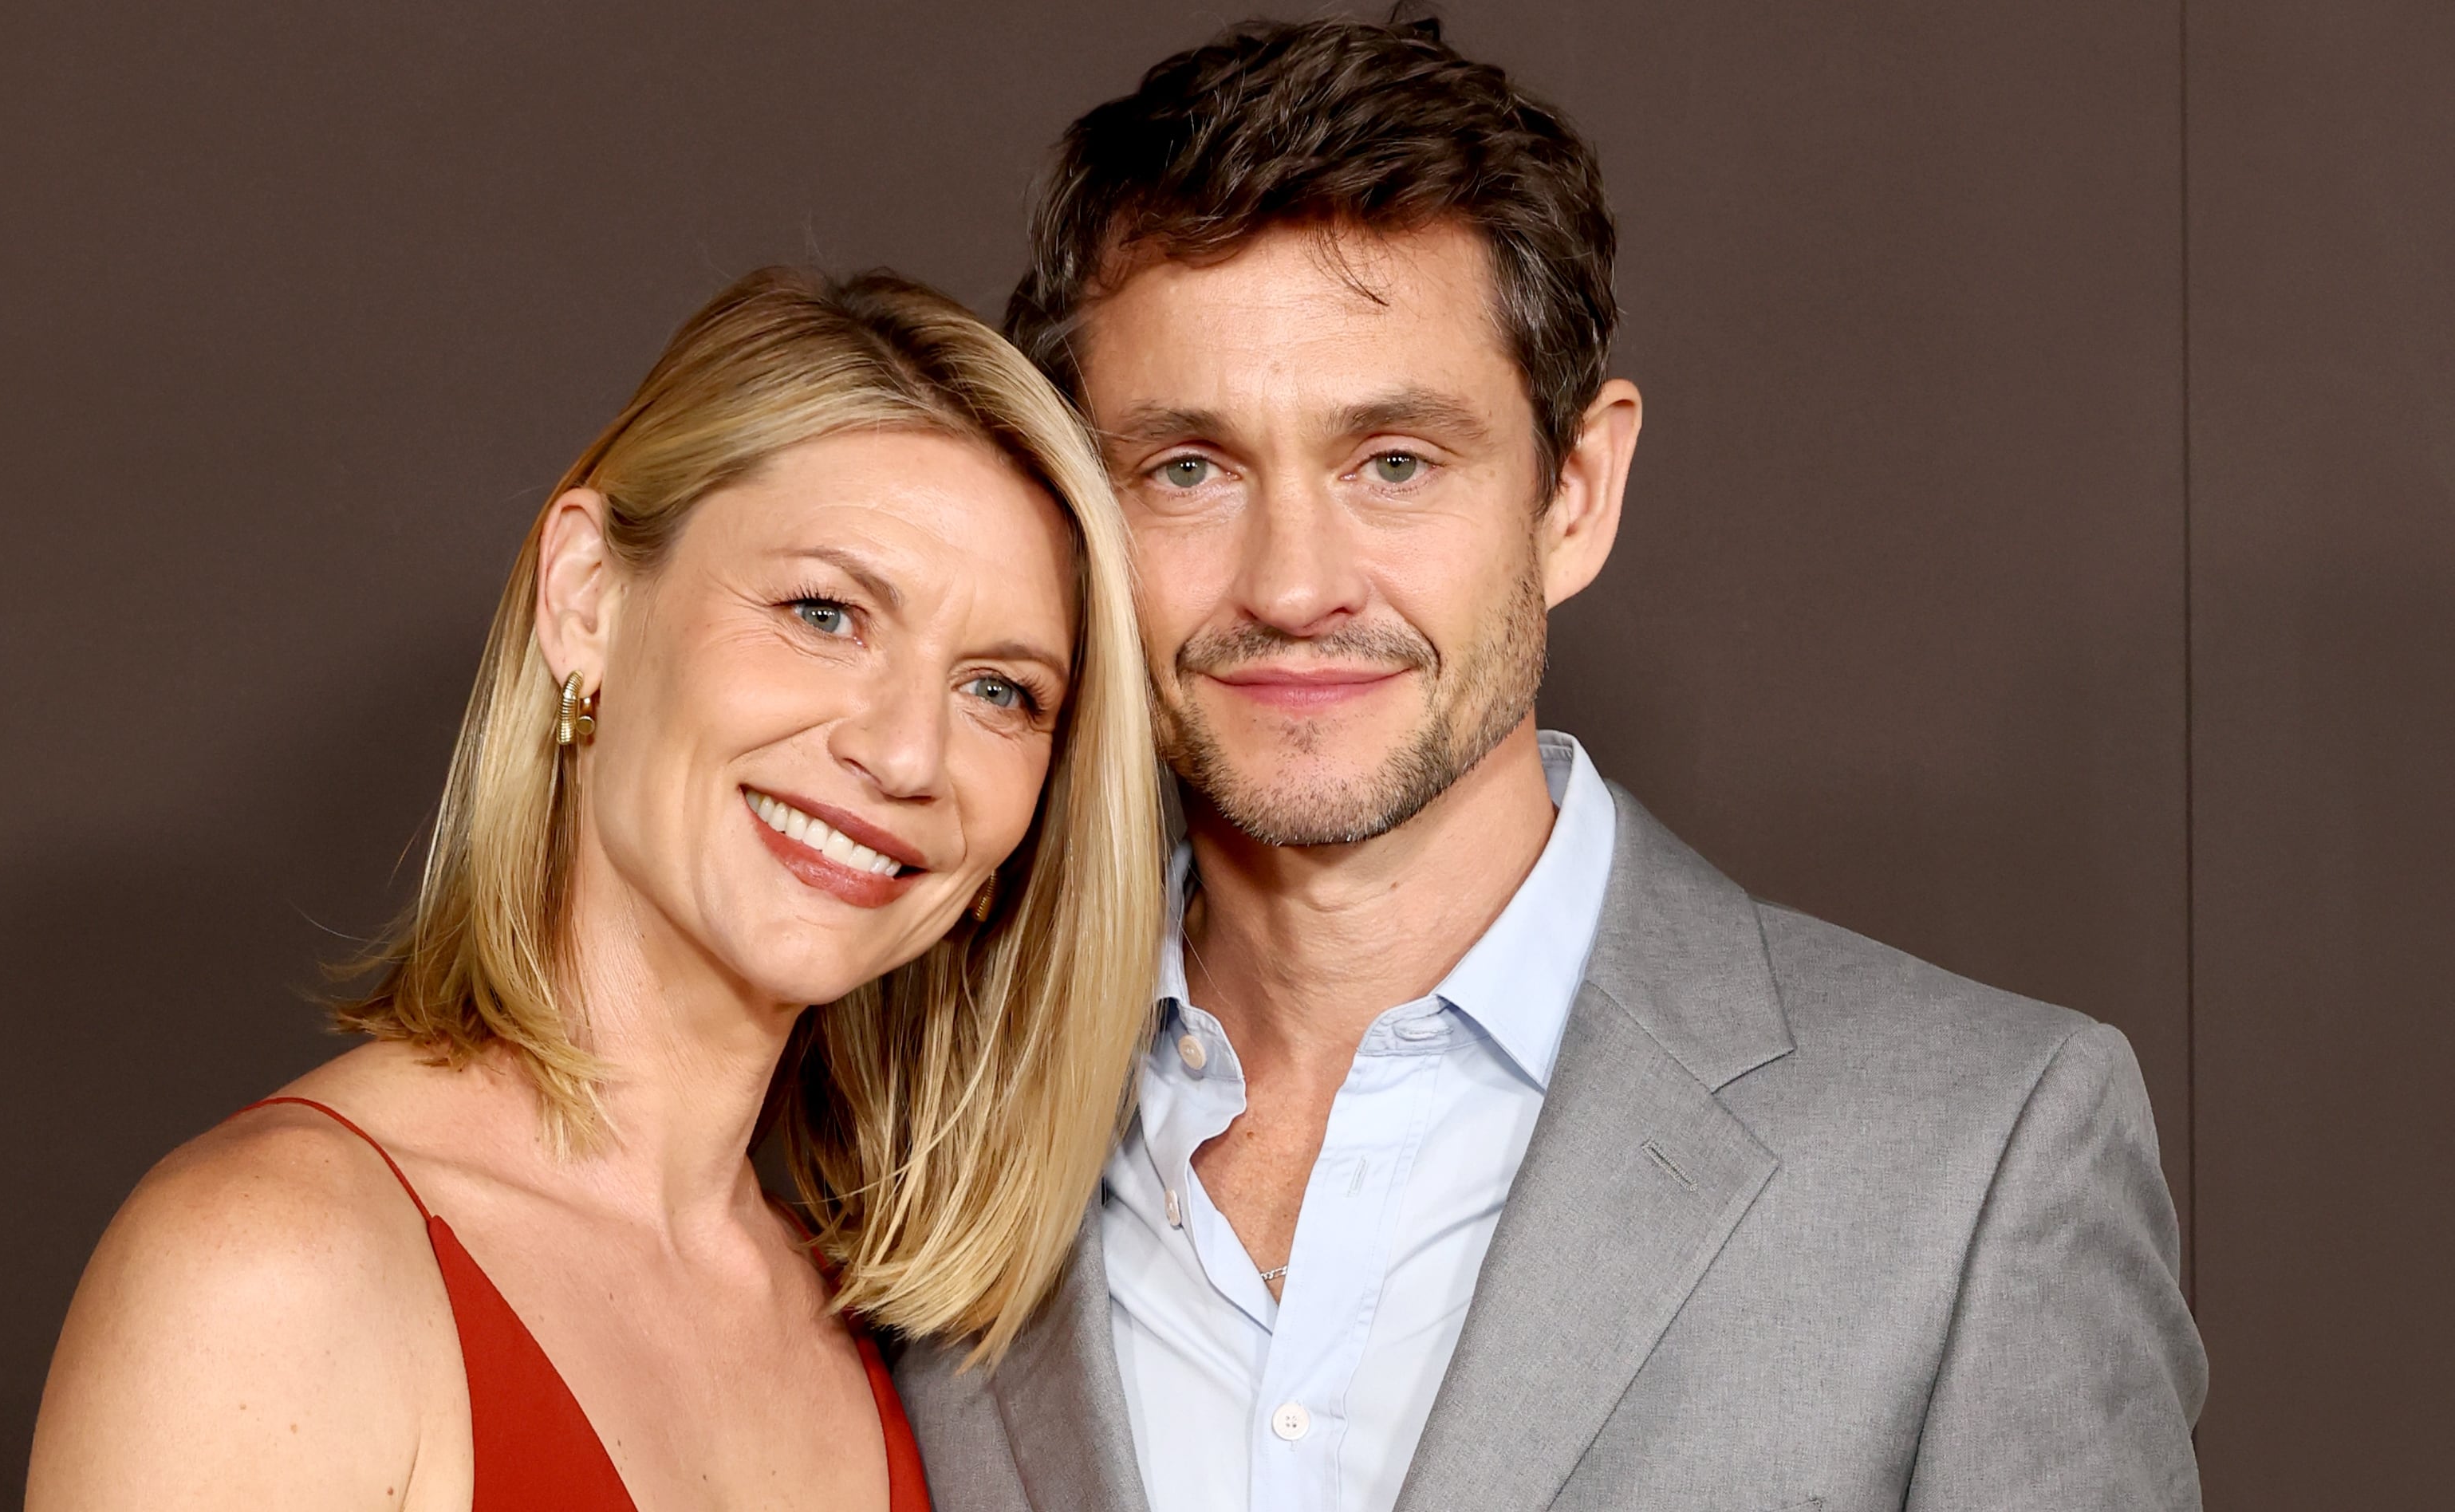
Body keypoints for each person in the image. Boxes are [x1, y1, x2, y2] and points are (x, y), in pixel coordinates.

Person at [895, 17, 2208, 1512]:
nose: (1293, 584)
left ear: (1573, 495)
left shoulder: (1976, 1157)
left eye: (1395, 461)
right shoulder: (910, 1107)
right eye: (1187, 469)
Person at [25, 269, 1166, 1512]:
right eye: (825, 612)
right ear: (586, 598)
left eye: (1001, 691)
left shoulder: (915, 1367)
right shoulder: (270, 1270)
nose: (905, 755)